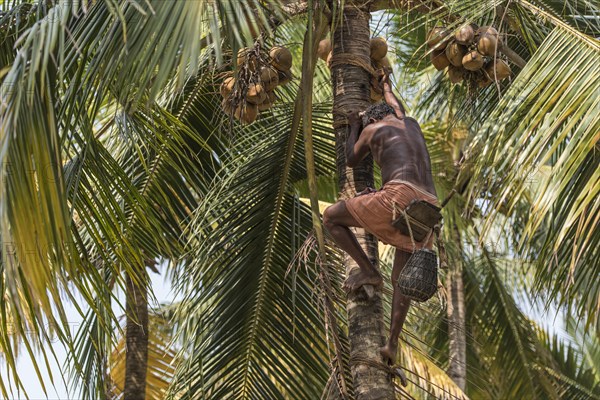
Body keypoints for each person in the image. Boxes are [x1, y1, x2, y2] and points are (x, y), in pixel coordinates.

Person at [322, 72, 438, 366]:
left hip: (397, 197)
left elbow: (351, 158)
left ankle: (368, 271)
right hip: (429, 207)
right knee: (402, 278)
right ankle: (392, 344)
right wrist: (386, 87)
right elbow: (397, 107)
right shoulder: (410, 123)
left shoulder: (373, 131)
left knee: (331, 218)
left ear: (371, 120)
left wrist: (353, 126)